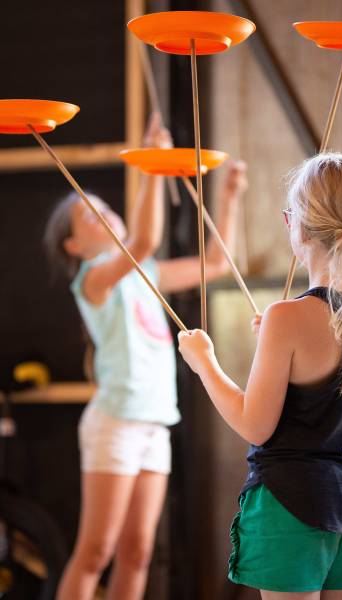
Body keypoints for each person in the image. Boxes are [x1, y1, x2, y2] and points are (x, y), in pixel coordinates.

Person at [44, 111, 248, 600]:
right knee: (96, 551)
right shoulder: (92, 280)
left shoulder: (146, 272)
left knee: (137, 552)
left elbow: (217, 264)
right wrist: (155, 164)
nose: (103, 215)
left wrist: (229, 197)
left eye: (104, 208)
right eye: (88, 216)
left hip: (155, 422)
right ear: (74, 245)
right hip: (115, 422)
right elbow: (142, 240)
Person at [178, 152, 342, 600]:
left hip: (292, 505)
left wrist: (205, 364)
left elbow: (254, 424)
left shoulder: (287, 317)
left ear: (299, 227)